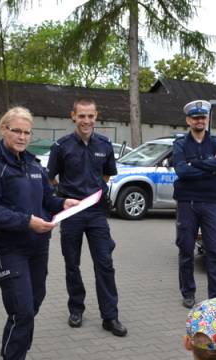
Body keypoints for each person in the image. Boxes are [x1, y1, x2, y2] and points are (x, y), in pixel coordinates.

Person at [0, 106, 79, 360]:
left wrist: (63, 202)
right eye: (16, 131)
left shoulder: (34, 164)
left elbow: (46, 199)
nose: (22, 137)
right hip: (9, 249)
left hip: (38, 247)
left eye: (26, 132)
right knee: (21, 311)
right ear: (3, 130)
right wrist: (27, 221)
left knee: (31, 307)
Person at [47, 97, 127, 337]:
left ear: (96, 116)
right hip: (71, 212)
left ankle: (110, 317)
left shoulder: (104, 144)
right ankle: (76, 309)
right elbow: (50, 177)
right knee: (72, 263)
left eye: (90, 116)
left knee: (105, 263)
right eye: (81, 116)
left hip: (96, 213)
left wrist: (92, 192)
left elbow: (107, 175)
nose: (86, 120)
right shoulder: (61, 146)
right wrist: (66, 195)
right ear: (73, 116)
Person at [172, 100, 216, 309]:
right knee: (186, 250)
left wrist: (194, 163)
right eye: (195, 118)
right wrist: (209, 167)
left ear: (207, 119)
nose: (200, 121)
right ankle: (188, 293)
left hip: (210, 203)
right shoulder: (179, 144)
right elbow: (181, 171)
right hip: (187, 203)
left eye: (203, 117)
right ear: (188, 120)